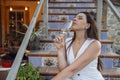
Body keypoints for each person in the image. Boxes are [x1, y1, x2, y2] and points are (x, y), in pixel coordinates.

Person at [52, 12, 104, 80]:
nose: (74, 19)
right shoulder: (67, 42)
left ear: (87, 26)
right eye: (75, 17)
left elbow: (73, 69)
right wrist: (60, 50)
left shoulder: (95, 44)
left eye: (80, 18)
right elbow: (63, 70)